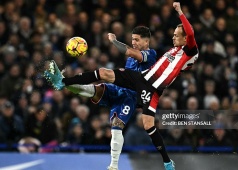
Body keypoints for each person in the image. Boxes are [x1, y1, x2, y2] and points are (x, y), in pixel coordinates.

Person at [45, 2, 197, 170]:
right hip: (138, 81)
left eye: (177, 35)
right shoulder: (172, 50)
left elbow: (189, 33)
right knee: (101, 77)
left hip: (139, 93)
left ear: (147, 41)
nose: (173, 37)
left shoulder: (169, 52)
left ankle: (161, 162)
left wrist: (179, 11)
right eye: (174, 34)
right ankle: (63, 82)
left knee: (140, 125)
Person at [47, 26, 157, 170]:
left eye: (137, 40)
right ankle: (62, 82)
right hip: (118, 89)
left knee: (117, 125)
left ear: (146, 41)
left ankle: (113, 166)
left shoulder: (151, 54)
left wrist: (114, 41)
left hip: (131, 96)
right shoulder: (131, 57)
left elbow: (130, 51)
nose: (134, 42)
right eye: (132, 39)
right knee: (93, 90)